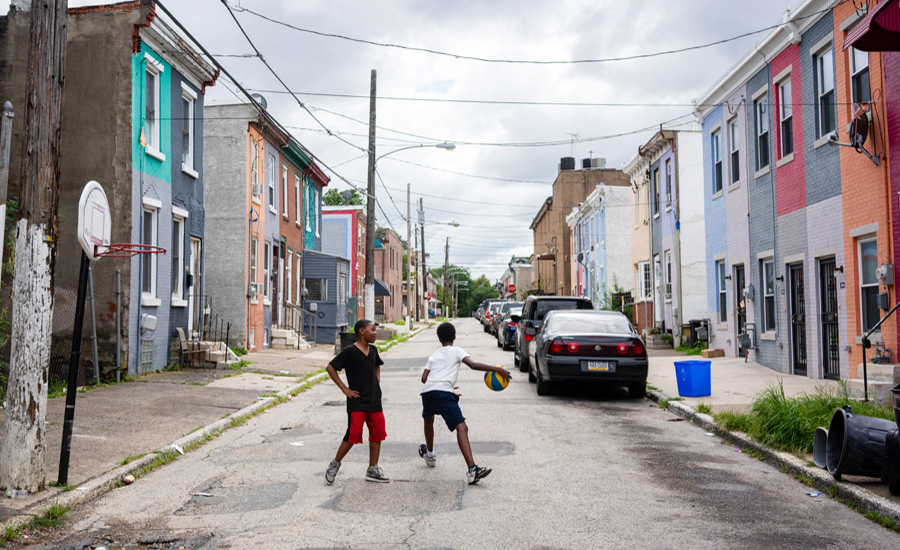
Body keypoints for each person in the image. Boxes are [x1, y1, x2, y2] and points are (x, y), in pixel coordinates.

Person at [418, 321, 511, 484]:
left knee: (428, 419)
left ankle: (430, 454)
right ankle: (472, 469)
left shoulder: (434, 355)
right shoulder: (456, 351)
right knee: (462, 427)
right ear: (454, 337)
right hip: (443, 393)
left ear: (439, 339)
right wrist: (497, 369)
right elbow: (473, 365)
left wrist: (444, 384)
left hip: (428, 392)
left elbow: (424, 378)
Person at [324, 319, 389, 484]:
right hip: (357, 401)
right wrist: (345, 389)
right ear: (361, 331)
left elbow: (377, 365)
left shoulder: (373, 350)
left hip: (374, 401)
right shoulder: (349, 352)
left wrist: (377, 380)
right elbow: (331, 367)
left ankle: (373, 469)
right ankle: (335, 464)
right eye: (372, 330)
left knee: (377, 433)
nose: (375, 333)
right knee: (352, 435)